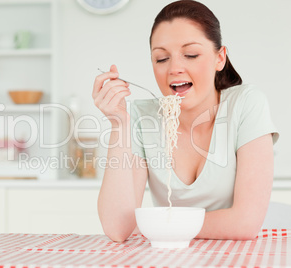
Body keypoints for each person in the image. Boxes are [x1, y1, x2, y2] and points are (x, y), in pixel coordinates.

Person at [92, 0, 279, 242]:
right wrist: (118, 123)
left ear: (219, 58)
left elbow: (245, 223)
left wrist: (160, 226)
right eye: (161, 59)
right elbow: (118, 228)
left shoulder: (246, 105)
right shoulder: (141, 117)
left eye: (190, 54)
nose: (175, 68)